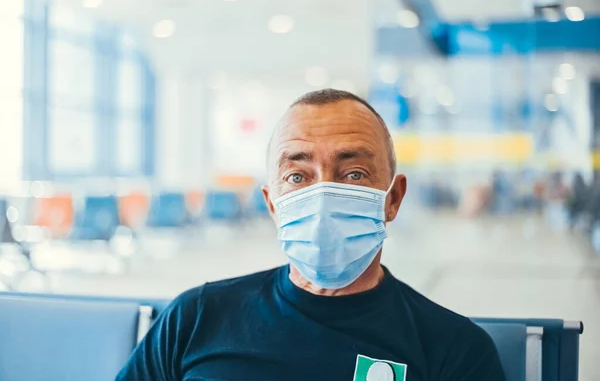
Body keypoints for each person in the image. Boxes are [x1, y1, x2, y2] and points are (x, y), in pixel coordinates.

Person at [117, 89, 506, 381]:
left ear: (393, 199)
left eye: (353, 174)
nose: (321, 196)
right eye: (297, 176)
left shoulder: (453, 350)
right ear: (273, 205)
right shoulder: (196, 317)